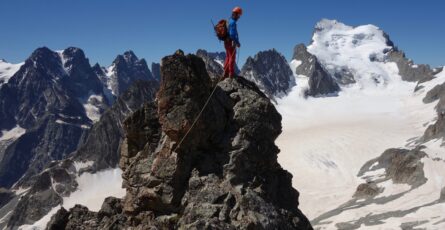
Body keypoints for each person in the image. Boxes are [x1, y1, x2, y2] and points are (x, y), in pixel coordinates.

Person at [223, 6, 242, 79]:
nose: (239, 17)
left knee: (228, 56)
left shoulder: (229, 20)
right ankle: (231, 73)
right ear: (236, 14)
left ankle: (226, 72)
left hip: (226, 42)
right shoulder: (233, 23)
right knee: (232, 58)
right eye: (239, 15)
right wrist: (237, 42)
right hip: (231, 42)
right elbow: (232, 34)